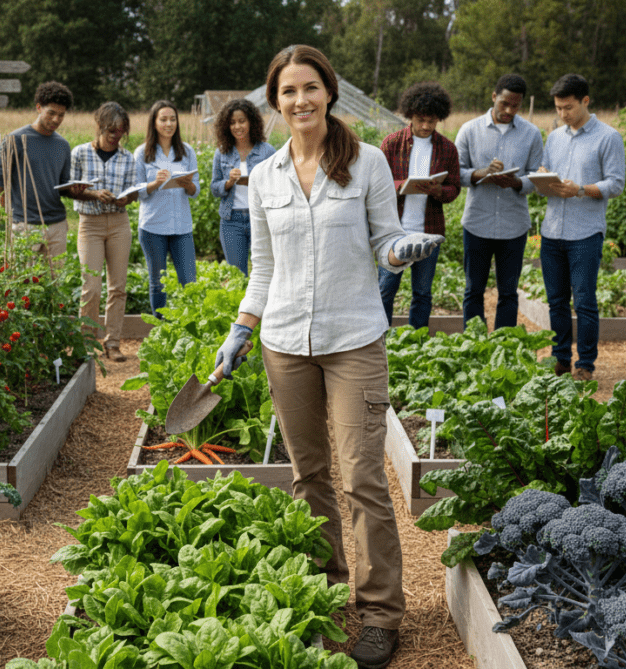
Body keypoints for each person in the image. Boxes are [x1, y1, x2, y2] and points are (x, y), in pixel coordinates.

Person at [213, 44, 442, 669]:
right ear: (275, 101)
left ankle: (378, 614)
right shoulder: (263, 176)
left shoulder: (365, 162)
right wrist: (240, 329)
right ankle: (322, 590)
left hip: (353, 341)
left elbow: (385, 239)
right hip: (283, 343)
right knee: (308, 476)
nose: (300, 100)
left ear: (329, 92)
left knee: (363, 476)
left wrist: (402, 251)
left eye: (309, 88)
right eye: (288, 92)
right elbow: (262, 267)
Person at [538, 73, 625, 380]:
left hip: (585, 232)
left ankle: (585, 364)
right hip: (552, 231)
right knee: (556, 301)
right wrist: (543, 176)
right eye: (559, 108)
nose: (563, 114)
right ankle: (560, 358)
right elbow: (547, 171)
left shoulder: (608, 137)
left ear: (585, 101)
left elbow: (616, 184)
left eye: (569, 107)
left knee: (585, 300)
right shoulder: (555, 137)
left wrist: (579, 189)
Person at [454, 73, 545, 329]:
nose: (508, 110)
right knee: (473, 290)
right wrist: (482, 173)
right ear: (494, 97)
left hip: (513, 225)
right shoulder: (469, 130)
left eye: (515, 105)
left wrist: (516, 182)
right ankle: (474, 343)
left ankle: (503, 345)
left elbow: (538, 177)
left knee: (508, 292)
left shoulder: (532, 134)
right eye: (504, 103)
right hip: (477, 222)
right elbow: (456, 173)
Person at [377, 83, 460, 329]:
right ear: (409, 115)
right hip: (394, 232)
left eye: (432, 121)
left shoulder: (447, 148)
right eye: (421, 120)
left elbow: (454, 188)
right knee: (385, 290)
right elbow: (377, 185)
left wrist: (438, 191)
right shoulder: (391, 144)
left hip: (428, 231)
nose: (425, 126)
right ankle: (380, 339)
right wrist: (402, 185)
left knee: (423, 293)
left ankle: (419, 341)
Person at [69, 102, 141, 362]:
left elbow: (133, 191)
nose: (116, 135)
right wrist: (93, 194)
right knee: (91, 286)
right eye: (111, 130)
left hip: (119, 223)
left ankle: (112, 343)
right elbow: (70, 188)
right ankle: (86, 343)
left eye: (121, 130)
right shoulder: (79, 153)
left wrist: (126, 199)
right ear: (99, 126)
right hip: (90, 223)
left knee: (118, 287)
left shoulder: (127, 157)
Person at [0, 81, 86, 259]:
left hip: (57, 225)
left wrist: (76, 190)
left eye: (61, 115)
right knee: (24, 281)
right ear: (39, 108)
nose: (56, 119)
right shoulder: (15, 139)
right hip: (25, 224)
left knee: (55, 282)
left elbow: (63, 186)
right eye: (51, 113)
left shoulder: (62, 145)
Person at [135, 100, 200, 316]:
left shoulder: (187, 152)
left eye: (173, 119)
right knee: (158, 283)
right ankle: (160, 331)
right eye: (163, 119)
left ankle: (189, 328)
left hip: (181, 226)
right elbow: (137, 192)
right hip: (153, 227)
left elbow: (195, 190)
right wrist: (154, 183)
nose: (169, 124)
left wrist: (188, 184)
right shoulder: (142, 153)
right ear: (154, 123)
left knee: (189, 282)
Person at [209, 99, 276, 275]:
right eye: (232, 122)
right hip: (232, 220)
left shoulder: (267, 151)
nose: (237, 126)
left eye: (241, 121)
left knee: (264, 271)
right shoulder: (222, 152)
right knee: (237, 274)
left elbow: (277, 186)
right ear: (226, 126)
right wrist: (229, 183)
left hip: (260, 218)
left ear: (251, 122)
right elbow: (215, 188)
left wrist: (256, 182)